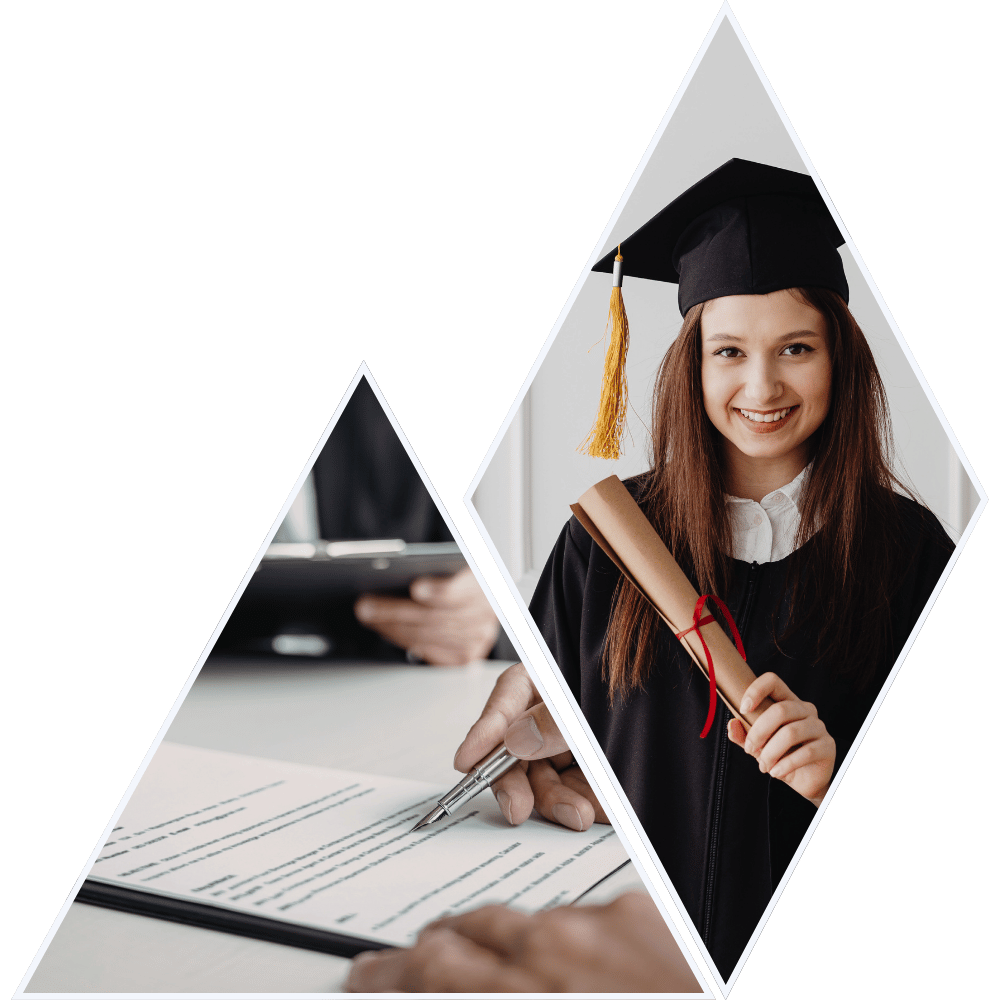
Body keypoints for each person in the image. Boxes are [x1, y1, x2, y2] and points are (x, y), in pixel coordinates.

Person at [349, 159, 956, 988]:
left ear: (841, 360)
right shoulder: (608, 541)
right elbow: (550, 735)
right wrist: (544, 739)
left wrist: (831, 779)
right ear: (693, 365)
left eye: (798, 348)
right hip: (618, 960)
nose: (762, 384)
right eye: (729, 350)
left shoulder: (912, 554)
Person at [215, 377, 507, 665]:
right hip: (214, 677)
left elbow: (468, 580)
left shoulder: (376, 409)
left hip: (381, 670)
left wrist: (477, 618)